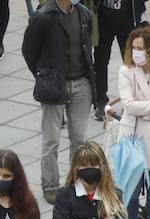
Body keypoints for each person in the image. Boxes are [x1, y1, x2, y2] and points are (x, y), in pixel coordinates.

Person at [22, 0, 97, 202]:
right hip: (54, 84)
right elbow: (29, 50)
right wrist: (43, 75)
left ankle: (76, 181)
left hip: (81, 82)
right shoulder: (44, 16)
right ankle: (50, 184)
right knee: (51, 139)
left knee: (79, 139)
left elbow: (86, 44)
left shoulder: (82, 12)